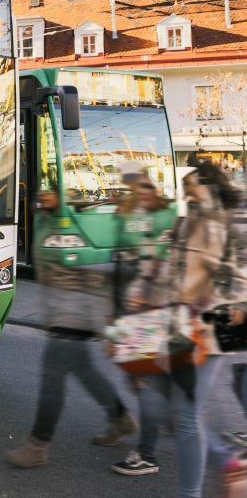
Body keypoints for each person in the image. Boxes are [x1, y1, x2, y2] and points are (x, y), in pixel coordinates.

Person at [112, 162, 247, 496]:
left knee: (187, 416)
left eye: (191, 185)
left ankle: (191, 491)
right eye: (185, 187)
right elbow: (166, 267)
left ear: (210, 185)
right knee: (155, 400)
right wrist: (143, 295)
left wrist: (239, 303)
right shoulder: (186, 222)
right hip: (171, 323)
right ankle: (220, 460)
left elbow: (242, 269)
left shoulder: (230, 224)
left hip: (210, 329)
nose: (186, 191)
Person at [6, 182, 137, 468]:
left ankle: (38, 445)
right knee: (84, 370)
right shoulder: (47, 219)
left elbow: (97, 267)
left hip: (77, 312)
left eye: (48, 190)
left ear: (63, 192)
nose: (42, 194)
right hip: (62, 312)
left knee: (52, 380)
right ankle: (120, 418)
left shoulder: (75, 222)